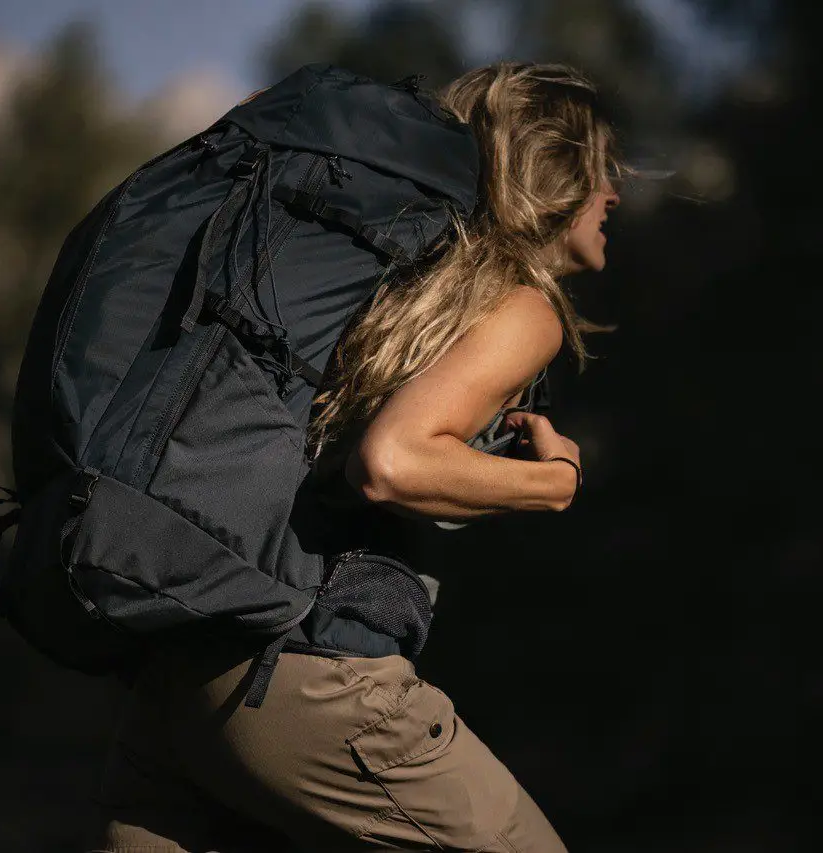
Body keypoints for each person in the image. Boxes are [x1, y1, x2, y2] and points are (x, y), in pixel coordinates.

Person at [90, 61, 625, 852]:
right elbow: (392, 461)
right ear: (560, 174)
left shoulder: (400, 287)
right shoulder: (522, 308)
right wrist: (553, 481)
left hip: (184, 674)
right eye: (603, 170)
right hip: (306, 678)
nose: (615, 194)